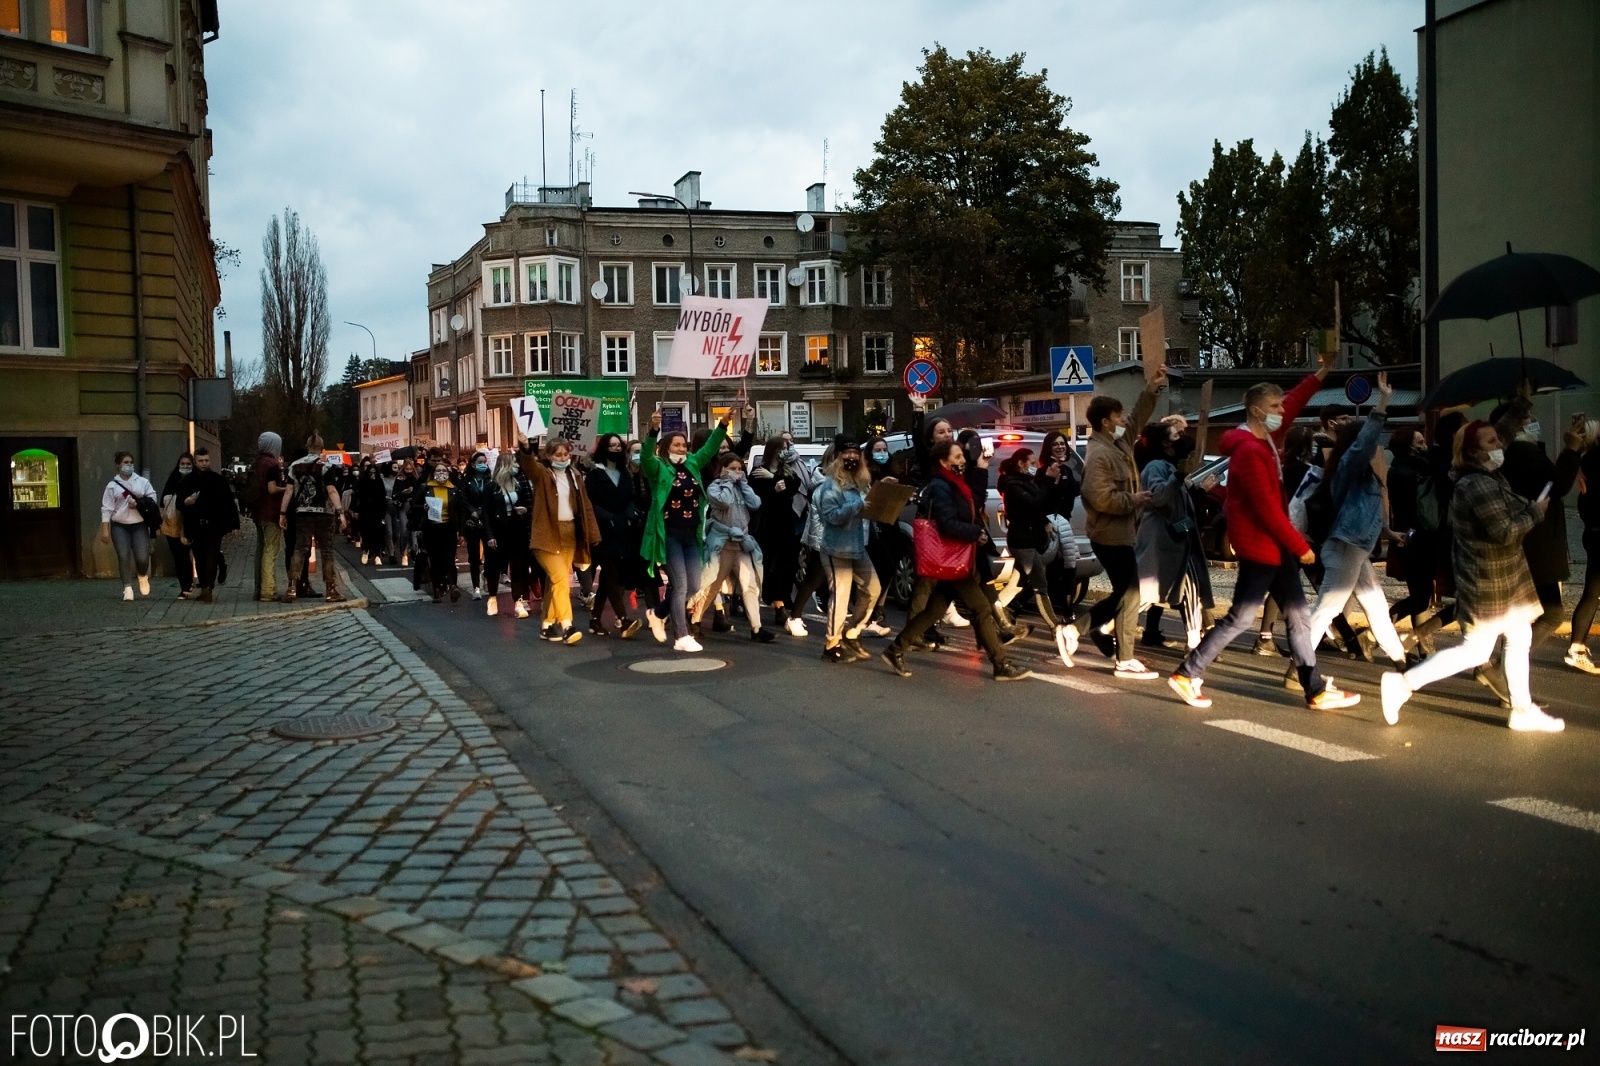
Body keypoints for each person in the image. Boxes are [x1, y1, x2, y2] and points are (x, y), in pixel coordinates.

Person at [1168, 352, 1360, 711]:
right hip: (1262, 548)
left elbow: (1295, 401)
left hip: (1273, 548)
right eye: (1273, 405)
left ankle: (1315, 689)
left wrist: (1320, 374)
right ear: (1257, 412)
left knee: (1299, 616)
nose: (1280, 410)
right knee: (1241, 618)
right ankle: (1187, 673)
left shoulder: (1264, 439)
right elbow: (1268, 511)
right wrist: (1300, 546)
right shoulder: (1250, 453)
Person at [1380, 422, 1565, 732]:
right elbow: (1504, 532)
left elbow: (1501, 435)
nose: (1499, 445)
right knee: (1476, 650)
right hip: (1489, 582)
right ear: (1475, 452)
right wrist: (1536, 512)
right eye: (1491, 441)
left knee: (1520, 637)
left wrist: (1519, 406)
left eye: (1497, 439)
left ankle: (1522, 709)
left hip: (1502, 578)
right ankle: (1403, 683)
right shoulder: (1477, 485)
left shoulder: (1483, 475)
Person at [882, 440, 1031, 682]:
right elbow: (947, 524)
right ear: (944, 461)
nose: (963, 460)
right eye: (958, 457)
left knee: (934, 610)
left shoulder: (954, 484)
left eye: (962, 456)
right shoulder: (940, 487)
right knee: (981, 608)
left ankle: (895, 649)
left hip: (957, 558)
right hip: (953, 560)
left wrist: (982, 468)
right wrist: (975, 533)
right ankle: (1001, 664)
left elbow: (974, 502)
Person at [1298, 374, 1408, 675]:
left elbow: (1362, 513)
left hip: (1354, 549)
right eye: (1370, 441)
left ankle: (1401, 662)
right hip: (1347, 548)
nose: (1376, 445)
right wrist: (1382, 403)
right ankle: (1300, 668)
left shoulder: (1353, 471)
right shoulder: (1351, 464)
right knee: (1327, 609)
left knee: (1376, 607)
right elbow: (1365, 444)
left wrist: (1386, 532)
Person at [1072, 369, 1164, 679]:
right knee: (1130, 594)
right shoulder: (1099, 455)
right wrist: (1134, 500)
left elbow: (1137, 418)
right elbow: (1102, 499)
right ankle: (1122, 658)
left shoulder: (1116, 445)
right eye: (1118, 414)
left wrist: (1151, 388)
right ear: (1105, 421)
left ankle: (1079, 631)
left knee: (1127, 594)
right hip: (1109, 534)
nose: (1123, 418)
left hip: (1120, 533)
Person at [1488, 399, 1585, 675]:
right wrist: (1571, 450)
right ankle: (1499, 669)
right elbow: (1558, 483)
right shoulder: (1522, 451)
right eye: (1527, 417)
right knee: (1550, 614)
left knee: (1526, 617)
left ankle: (1501, 673)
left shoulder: (1514, 452)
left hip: (1529, 542)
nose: (1532, 420)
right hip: (1536, 544)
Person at [639, 408, 731, 653]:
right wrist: (653, 431)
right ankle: (681, 635)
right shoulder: (658, 469)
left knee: (693, 585)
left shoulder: (692, 463)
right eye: (677, 445)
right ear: (667, 448)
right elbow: (646, 457)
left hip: (691, 535)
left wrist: (722, 425)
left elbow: (710, 449)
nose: (682, 449)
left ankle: (658, 613)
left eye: (684, 445)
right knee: (679, 585)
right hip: (668, 534)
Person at [1134, 424, 1214, 650]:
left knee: (1188, 589)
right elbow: (1158, 497)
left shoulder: (1167, 466)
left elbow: (1180, 501)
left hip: (1176, 541)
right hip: (1162, 540)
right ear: (1165, 443)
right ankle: (1098, 625)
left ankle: (1194, 642)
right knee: (1145, 594)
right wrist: (1179, 476)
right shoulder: (1155, 467)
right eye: (1175, 434)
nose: (1180, 437)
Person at [520, 439, 601, 643]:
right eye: (557, 455)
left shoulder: (575, 475)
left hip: (569, 533)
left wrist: (593, 534)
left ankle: (547, 625)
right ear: (548, 456)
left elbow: (586, 506)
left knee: (555, 581)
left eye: (565, 455)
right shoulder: (543, 475)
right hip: (547, 534)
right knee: (560, 579)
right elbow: (530, 466)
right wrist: (526, 448)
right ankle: (567, 625)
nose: (562, 458)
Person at [690, 451, 776, 643]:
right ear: (722, 470)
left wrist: (744, 484)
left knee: (750, 584)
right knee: (713, 584)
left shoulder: (742, 487)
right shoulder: (714, 487)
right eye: (732, 469)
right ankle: (695, 620)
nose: (737, 472)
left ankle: (756, 628)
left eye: (740, 469)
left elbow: (755, 503)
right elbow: (724, 501)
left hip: (742, 543)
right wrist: (728, 481)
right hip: (722, 542)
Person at [812, 438, 879, 662]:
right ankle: (831, 644)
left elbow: (869, 505)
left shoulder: (860, 482)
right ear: (837, 456)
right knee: (840, 597)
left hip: (857, 546)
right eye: (846, 453)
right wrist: (857, 506)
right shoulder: (830, 485)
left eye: (855, 453)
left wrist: (882, 491)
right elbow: (831, 516)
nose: (852, 457)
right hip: (836, 549)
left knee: (873, 589)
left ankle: (851, 632)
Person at [1384, 424, 1439, 662]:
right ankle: (1379, 631)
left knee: (1421, 595)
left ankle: (1424, 650)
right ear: (1408, 448)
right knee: (1419, 596)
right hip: (1412, 539)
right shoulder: (1405, 473)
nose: (1424, 446)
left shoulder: (1410, 469)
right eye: (1419, 443)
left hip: (1415, 538)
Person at [585, 433, 643, 638]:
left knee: (612, 576)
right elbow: (589, 502)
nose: (616, 449)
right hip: (602, 530)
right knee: (611, 573)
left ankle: (595, 619)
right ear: (604, 448)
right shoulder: (594, 474)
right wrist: (606, 516)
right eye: (612, 445)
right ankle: (623, 619)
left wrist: (628, 513)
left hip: (622, 528)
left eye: (619, 445)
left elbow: (630, 496)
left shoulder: (624, 472)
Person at [750, 433, 808, 635]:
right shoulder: (758, 472)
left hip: (785, 525)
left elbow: (793, 488)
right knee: (769, 566)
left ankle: (781, 604)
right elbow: (756, 499)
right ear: (774, 450)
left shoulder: (788, 471)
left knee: (786, 565)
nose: (787, 450)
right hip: (767, 527)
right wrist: (773, 487)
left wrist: (774, 478)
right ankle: (772, 602)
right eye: (783, 447)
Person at [283, 440, 347, 603]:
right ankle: (331, 590)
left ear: (307, 447)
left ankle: (292, 588)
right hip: (324, 513)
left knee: (299, 550)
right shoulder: (325, 467)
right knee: (326, 551)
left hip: (302, 513)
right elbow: (331, 490)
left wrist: (282, 513)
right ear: (321, 448)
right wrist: (340, 512)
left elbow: (289, 491)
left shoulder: (294, 466)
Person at [176, 447, 239, 602]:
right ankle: (204, 583)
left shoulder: (218, 480)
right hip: (195, 525)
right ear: (195, 462)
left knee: (211, 554)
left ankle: (207, 588)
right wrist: (186, 502)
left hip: (214, 525)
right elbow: (179, 503)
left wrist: (234, 524)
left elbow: (229, 503)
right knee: (199, 556)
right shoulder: (188, 481)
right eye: (200, 461)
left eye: (206, 461)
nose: (204, 464)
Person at [1565, 420, 1600, 674]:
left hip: (1593, 531)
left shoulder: (1588, 459)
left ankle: (1577, 645)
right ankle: (1576, 647)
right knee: (1592, 591)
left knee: (1591, 591)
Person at [99, 451, 157, 601]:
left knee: (142, 557)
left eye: (131, 462)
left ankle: (142, 575)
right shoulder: (112, 486)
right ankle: (127, 588)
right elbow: (107, 508)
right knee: (123, 555)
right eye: (125, 462)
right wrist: (105, 528)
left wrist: (139, 504)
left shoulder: (141, 482)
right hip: (120, 525)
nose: (129, 465)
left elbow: (152, 498)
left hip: (139, 524)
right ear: (118, 465)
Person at [485, 452, 534, 618]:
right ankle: (492, 597)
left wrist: (524, 510)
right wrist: (489, 535)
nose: (517, 466)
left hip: (516, 529)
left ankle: (518, 601)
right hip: (498, 531)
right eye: (513, 463)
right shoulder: (492, 486)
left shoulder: (518, 484)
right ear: (505, 465)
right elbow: (486, 513)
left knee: (518, 567)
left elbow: (525, 503)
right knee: (495, 566)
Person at [410, 458, 463, 602]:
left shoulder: (453, 489)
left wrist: (461, 531)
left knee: (449, 558)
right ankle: (437, 589)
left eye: (443, 471)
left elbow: (460, 511)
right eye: (438, 470)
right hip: (431, 528)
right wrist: (423, 508)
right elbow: (413, 505)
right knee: (435, 560)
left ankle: (453, 586)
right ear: (433, 473)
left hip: (448, 528)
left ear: (448, 473)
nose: (441, 473)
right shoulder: (426, 488)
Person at [246, 432, 289, 602]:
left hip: (258, 511)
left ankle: (258, 588)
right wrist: (287, 489)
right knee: (271, 551)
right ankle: (268, 590)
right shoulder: (271, 464)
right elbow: (272, 489)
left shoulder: (256, 462)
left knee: (260, 549)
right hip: (271, 512)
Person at [460, 450, 496, 599]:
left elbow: (492, 499)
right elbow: (463, 499)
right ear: (473, 464)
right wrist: (472, 511)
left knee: (491, 555)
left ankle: (486, 574)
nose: (482, 465)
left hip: (487, 522)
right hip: (472, 523)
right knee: (474, 557)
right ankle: (476, 587)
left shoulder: (490, 481)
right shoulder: (466, 481)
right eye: (479, 462)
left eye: (484, 462)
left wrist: (482, 511)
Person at [161, 452, 197, 598]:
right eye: (183, 464)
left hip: (189, 521)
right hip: (172, 521)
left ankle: (188, 584)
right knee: (178, 556)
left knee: (185, 554)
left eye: (188, 464)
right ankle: (185, 585)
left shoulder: (196, 480)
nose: (185, 467)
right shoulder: (173, 479)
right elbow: (163, 498)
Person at [355, 462, 390, 566]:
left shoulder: (379, 483)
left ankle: (378, 555)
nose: (372, 475)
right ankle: (366, 550)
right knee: (366, 533)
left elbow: (382, 497)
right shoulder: (363, 482)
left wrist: (383, 515)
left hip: (377, 512)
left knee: (378, 534)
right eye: (370, 472)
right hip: (365, 512)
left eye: (374, 472)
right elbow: (361, 496)